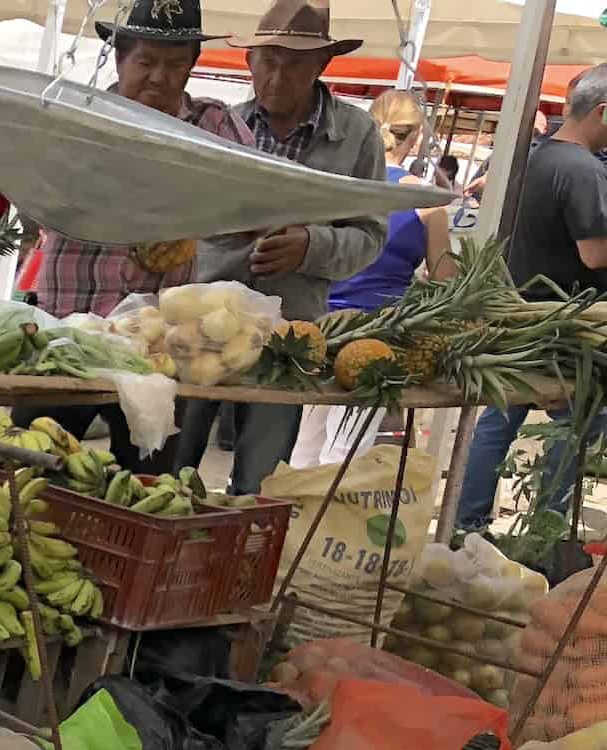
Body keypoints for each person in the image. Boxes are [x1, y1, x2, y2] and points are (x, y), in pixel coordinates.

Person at [26, 0, 253, 473]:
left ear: (192, 65)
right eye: (146, 61)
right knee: (35, 467)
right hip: (70, 328)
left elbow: (254, 197)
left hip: (161, 347)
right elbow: (27, 196)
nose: (159, 77)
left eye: (174, 64)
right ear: (119, 56)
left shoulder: (214, 124)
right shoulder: (76, 116)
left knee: (145, 478)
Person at [172, 0, 388, 495]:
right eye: (267, 60)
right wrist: (233, 226)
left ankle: (235, 560)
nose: (276, 75)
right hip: (205, 318)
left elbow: (371, 237)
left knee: (259, 478)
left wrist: (311, 244)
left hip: (288, 333)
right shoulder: (223, 125)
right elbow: (185, 212)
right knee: (174, 460)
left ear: (322, 66)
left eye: (293, 64)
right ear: (249, 61)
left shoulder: (356, 136)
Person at [456, 63, 607, 530]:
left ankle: (467, 521)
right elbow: (595, 255)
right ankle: (548, 525)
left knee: (499, 420)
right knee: (578, 423)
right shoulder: (584, 171)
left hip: (521, 310)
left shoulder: (536, 157)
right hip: (566, 328)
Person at [290, 89, 458, 467]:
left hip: (319, 324)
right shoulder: (427, 201)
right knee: (349, 443)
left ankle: (290, 515)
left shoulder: (342, 185)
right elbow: (447, 280)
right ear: (415, 138)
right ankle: (326, 521)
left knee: (306, 437)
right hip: (379, 331)